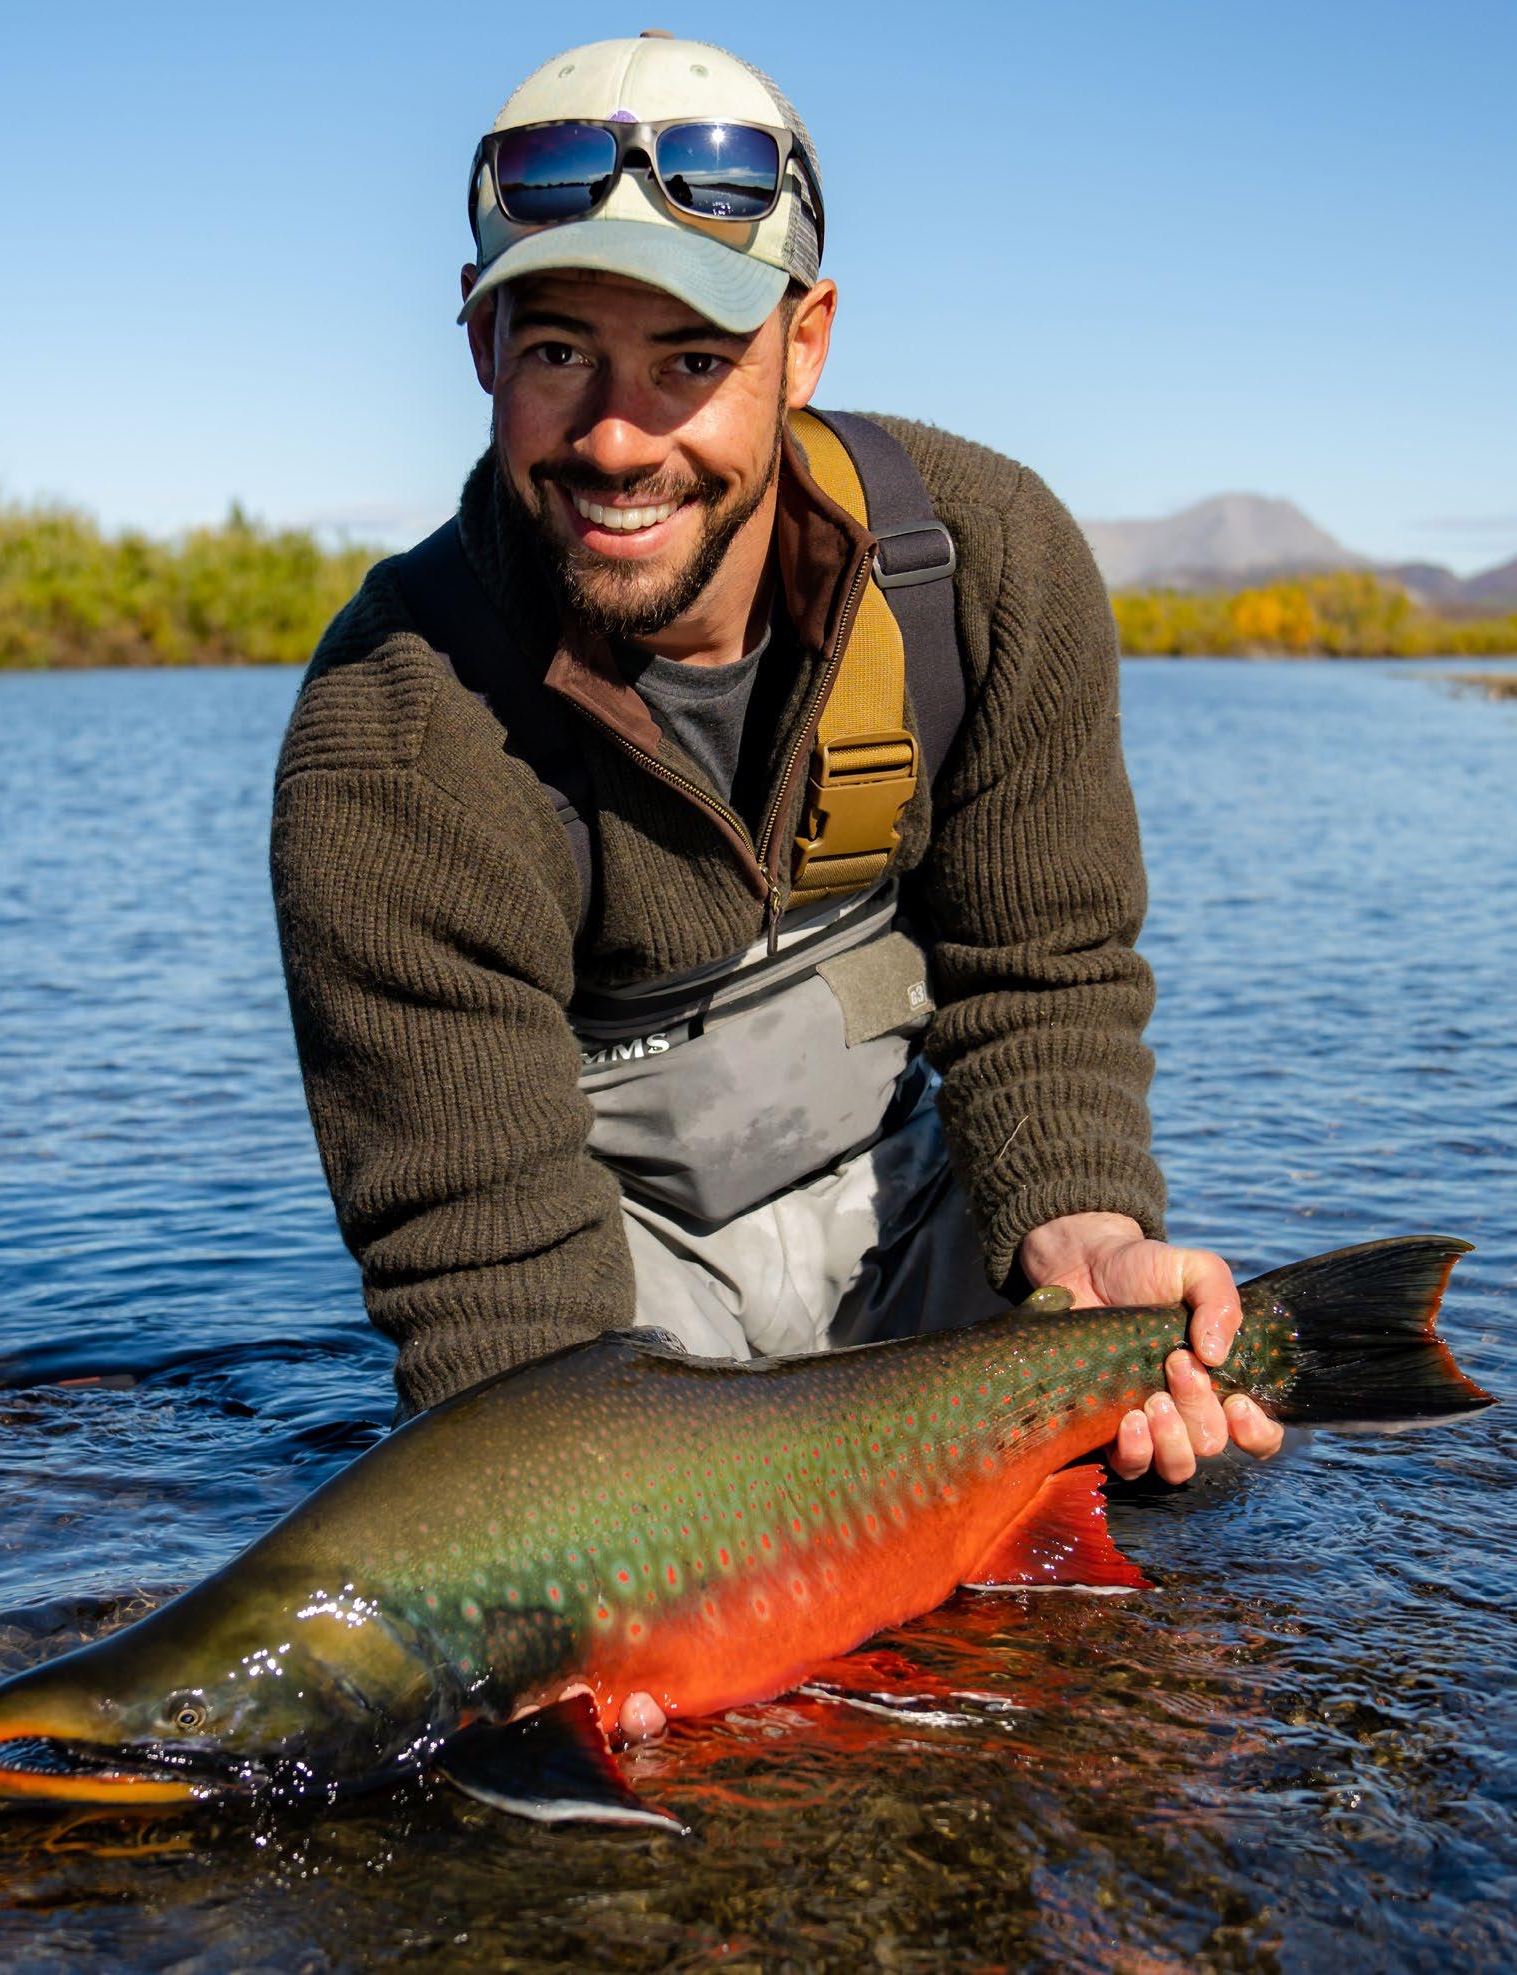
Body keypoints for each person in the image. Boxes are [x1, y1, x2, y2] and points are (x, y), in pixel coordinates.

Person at [271, 37, 1285, 1680]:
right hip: (606, 1329)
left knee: (1122, 1573)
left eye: (688, 358)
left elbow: (1043, 977)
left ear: (800, 344)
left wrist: (1083, 1230)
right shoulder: (388, 740)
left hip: (926, 1215)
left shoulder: (986, 562)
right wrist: (600, 1614)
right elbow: (494, 1288)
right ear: (475, 342)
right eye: (556, 351)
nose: (615, 440)